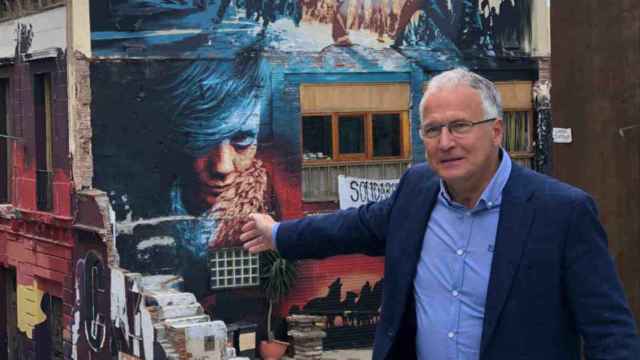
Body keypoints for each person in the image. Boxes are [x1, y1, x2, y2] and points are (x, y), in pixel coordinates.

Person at [240, 68, 640, 359]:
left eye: (460, 126)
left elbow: (609, 331)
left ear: (496, 131)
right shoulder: (418, 190)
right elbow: (352, 226)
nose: (445, 142)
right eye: (432, 130)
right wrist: (278, 234)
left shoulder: (562, 212)